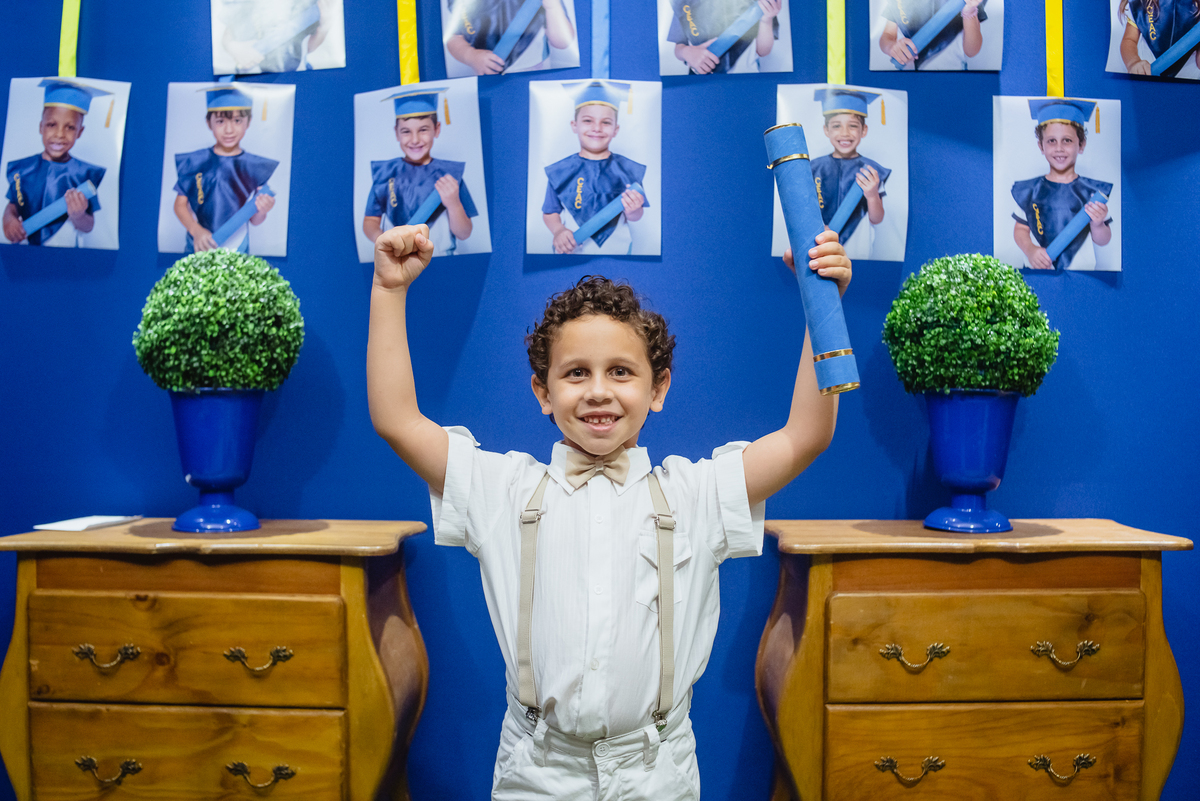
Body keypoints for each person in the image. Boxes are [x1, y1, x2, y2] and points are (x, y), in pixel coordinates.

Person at [366, 222, 850, 800]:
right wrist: (388, 291)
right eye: (576, 373)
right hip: (535, 768)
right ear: (544, 393)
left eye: (621, 372)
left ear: (658, 388)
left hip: (658, 771)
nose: (598, 391)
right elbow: (397, 420)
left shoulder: (697, 494)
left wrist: (820, 303)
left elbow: (805, 437)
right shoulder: (503, 490)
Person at [363, 88, 477, 257]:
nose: (415, 139)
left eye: (423, 130)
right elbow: (370, 221)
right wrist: (383, 239)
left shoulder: (449, 176)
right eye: (406, 131)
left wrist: (453, 204)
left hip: (441, 261)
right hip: (397, 262)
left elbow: (464, 233)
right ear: (396, 133)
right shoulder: (386, 174)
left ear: (437, 129)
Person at [542, 81, 647, 256]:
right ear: (574, 125)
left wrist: (634, 210)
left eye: (606, 122)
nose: (596, 128)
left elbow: (635, 216)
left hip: (618, 251)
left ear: (616, 129)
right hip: (572, 251)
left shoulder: (627, 170)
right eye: (588, 120)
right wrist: (558, 231)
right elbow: (550, 212)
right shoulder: (560, 172)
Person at [172, 84, 278, 254]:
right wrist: (195, 229)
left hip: (237, 247)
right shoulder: (195, 162)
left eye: (237, 121)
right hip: (200, 245)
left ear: (248, 122)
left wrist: (263, 209)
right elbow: (179, 205)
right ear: (209, 123)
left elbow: (255, 220)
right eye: (220, 121)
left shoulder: (254, 167)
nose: (229, 130)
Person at [4, 79, 110, 247]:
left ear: (80, 132)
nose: (60, 134)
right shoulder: (23, 169)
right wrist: (9, 219)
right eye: (52, 125)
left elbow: (89, 225)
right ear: (41, 127)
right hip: (22, 249)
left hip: (63, 249)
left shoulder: (84, 175)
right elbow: (13, 205)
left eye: (70, 127)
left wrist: (79, 216)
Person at [1011, 98, 1113, 272]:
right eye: (1051, 141)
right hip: (1038, 272)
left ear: (1081, 145)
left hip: (1082, 273)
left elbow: (1103, 240)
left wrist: (1098, 225)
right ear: (1041, 146)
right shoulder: (1029, 191)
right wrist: (1031, 250)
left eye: (1067, 140)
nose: (1059, 148)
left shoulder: (1092, 193)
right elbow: (1020, 230)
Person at [809, 87, 890, 260]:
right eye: (836, 126)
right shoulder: (813, 168)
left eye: (853, 126)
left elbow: (877, 219)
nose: (845, 133)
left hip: (857, 244)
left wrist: (872, 194)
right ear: (826, 130)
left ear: (864, 130)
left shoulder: (871, 171)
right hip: (819, 244)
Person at [446, 0, 576, 75]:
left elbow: (563, 41)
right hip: (489, 77)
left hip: (535, 72)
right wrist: (470, 56)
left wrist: (552, 7)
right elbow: (454, 38)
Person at [218, 0, 336, 74]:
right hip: (250, 77)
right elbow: (228, 35)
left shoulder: (307, 5)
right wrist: (233, 48)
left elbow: (307, 46)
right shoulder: (244, 5)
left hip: (296, 76)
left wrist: (325, 26)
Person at [666, 0, 782, 74]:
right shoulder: (685, 3)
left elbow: (763, 51)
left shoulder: (758, 3)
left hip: (744, 81)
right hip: (701, 82)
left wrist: (766, 20)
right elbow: (679, 47)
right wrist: (687, 52)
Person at [879, 0, 986, 70]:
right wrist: (891, 47)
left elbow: (972, 50)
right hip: (910, 78)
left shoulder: (963, 2)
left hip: (951, 74)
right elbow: (888, 34)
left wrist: (969, 12)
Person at [1118, 0, 1200, 78]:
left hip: (1186, 81)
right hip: (1147, 76)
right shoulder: (1140, 3)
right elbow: (1129, 40)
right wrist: (1133, 63)